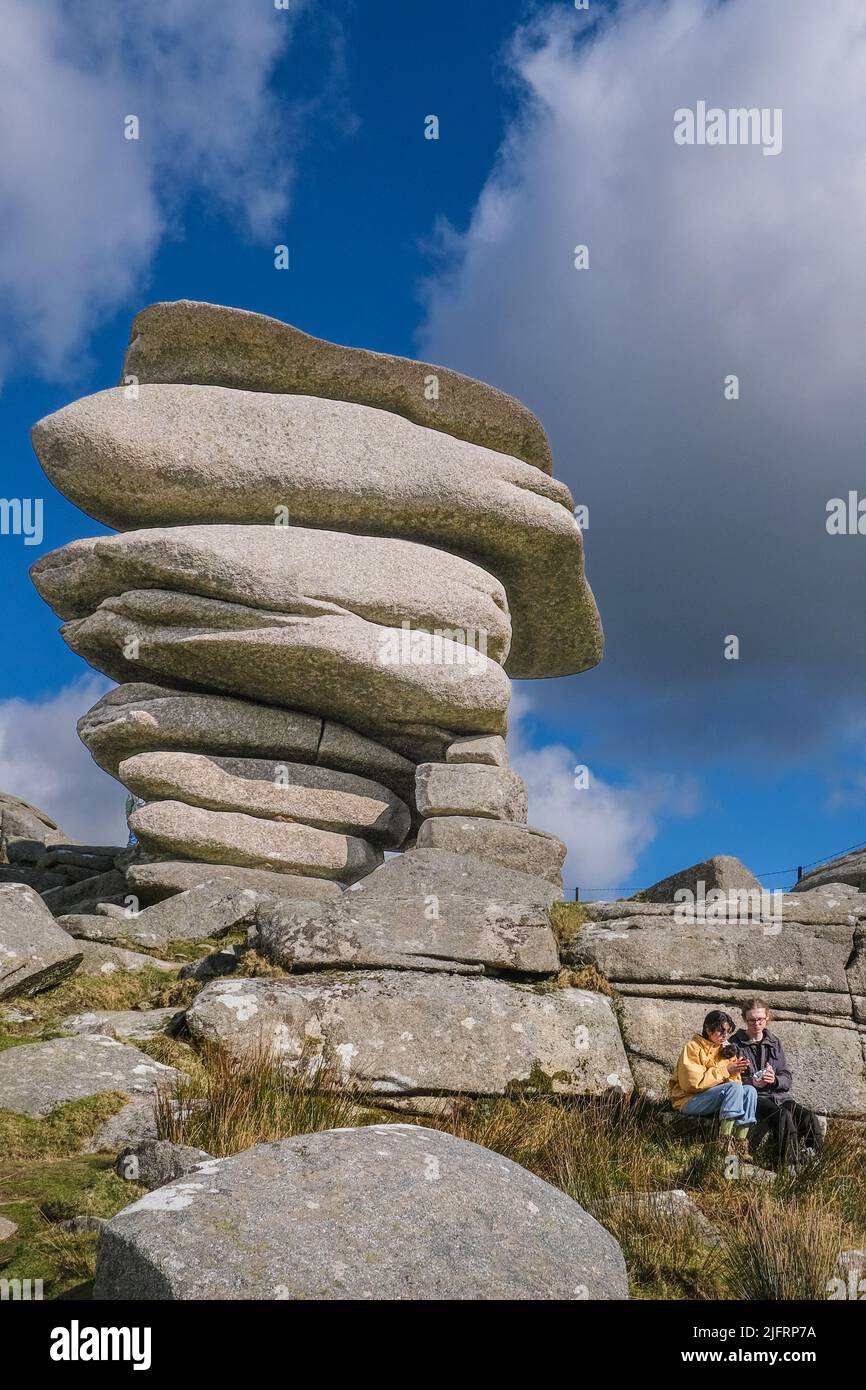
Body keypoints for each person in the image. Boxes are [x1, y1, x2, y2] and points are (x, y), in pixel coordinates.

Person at [732, 998, 822, 1165]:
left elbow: (787, 1078)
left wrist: (774, 1080)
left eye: (760, 1019)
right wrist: (751, 1083)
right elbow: (729, 1080)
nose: (756, 1023)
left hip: (777, 1097)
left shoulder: (774, 1042)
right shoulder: (735, 1044)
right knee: (783, 1116)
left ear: (767, 1018)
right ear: (745, 1019)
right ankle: (787, 1166)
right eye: (751, 1020)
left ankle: (813, 1161)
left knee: (809, 1118)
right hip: (753, 1098)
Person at [669, 1009, 758, 1158]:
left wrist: (734, 1071)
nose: (725, 1035)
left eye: (728, 1031)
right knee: (736, 1088)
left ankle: (740, 1145)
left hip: (712, 1100)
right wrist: (725, 1071)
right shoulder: (692, 1048)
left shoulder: (726, 1051)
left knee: (750, 1090)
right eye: (720, 1030)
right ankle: (724, 1144)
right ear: (707, 1029)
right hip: (688, 1100)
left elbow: (735, 1087)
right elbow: (691, 1084)